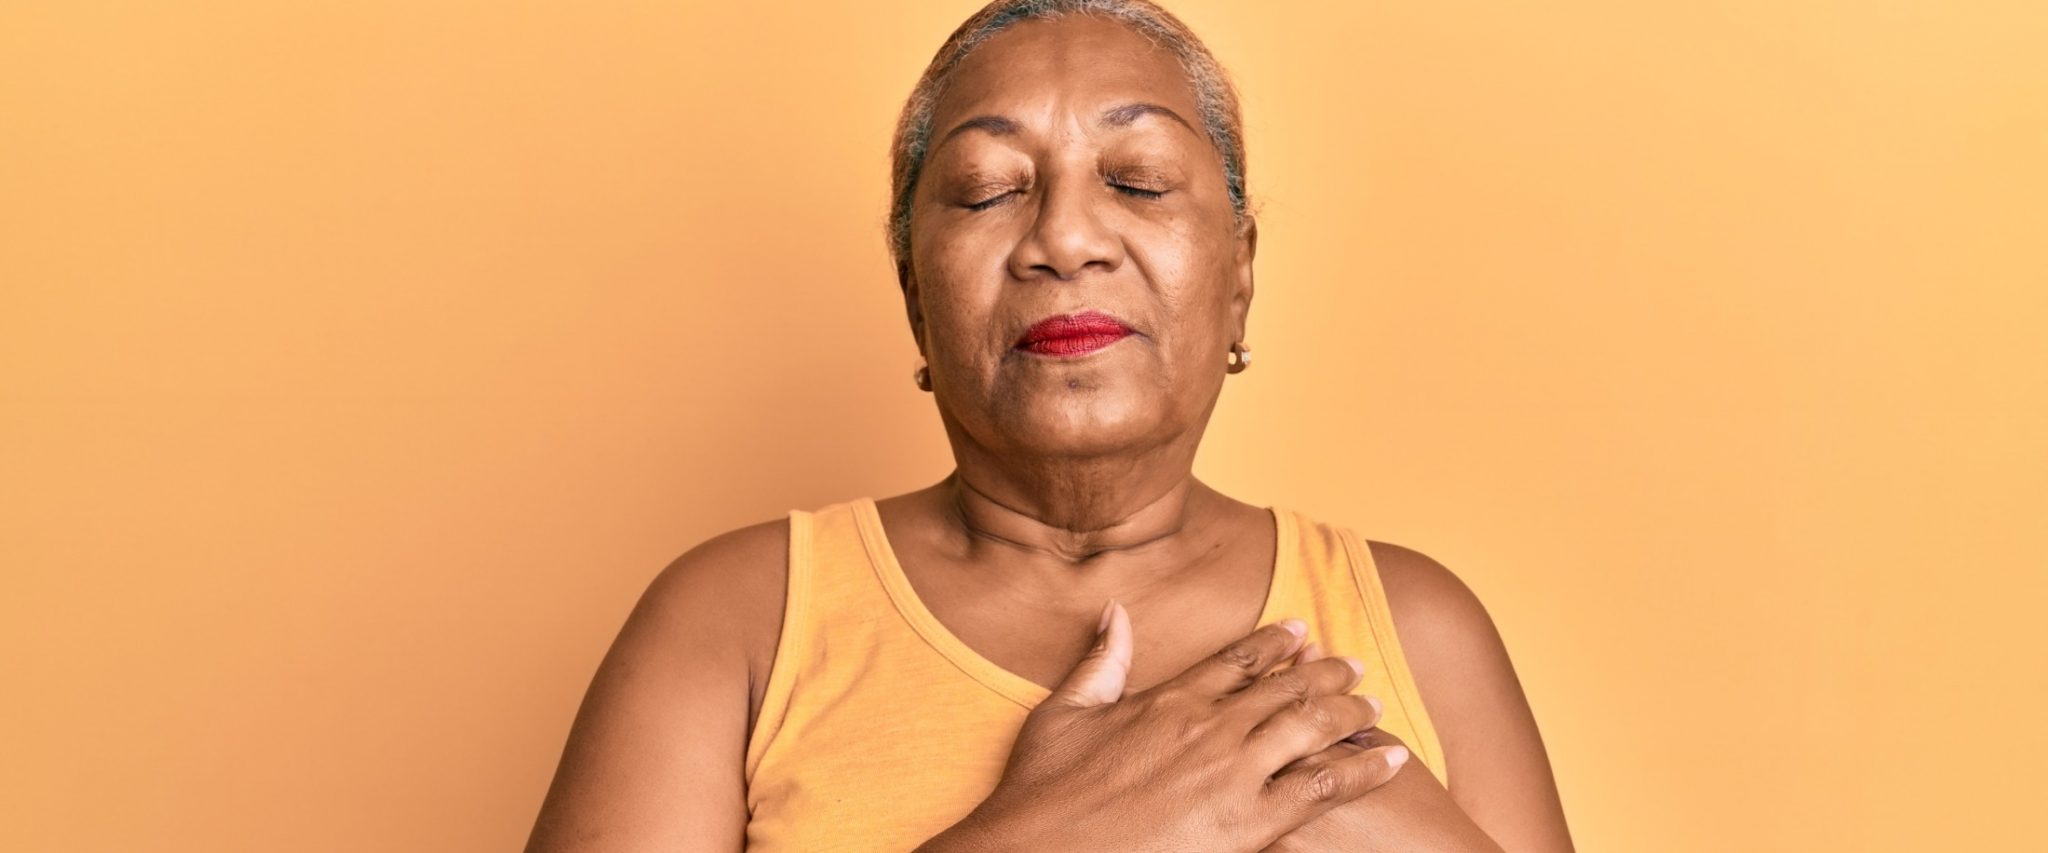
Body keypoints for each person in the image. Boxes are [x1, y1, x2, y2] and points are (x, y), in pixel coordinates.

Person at [526, 1, 1573, 850]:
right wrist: (1071, 829)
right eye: (986, 194)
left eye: (1138, 181)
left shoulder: (1416, 623)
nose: (1064, 239)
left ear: (1239, 270)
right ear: (912, 294)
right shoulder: (736, 622)